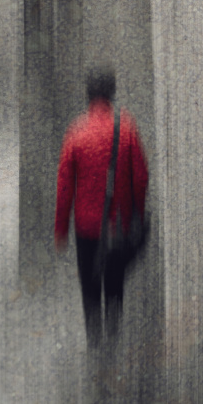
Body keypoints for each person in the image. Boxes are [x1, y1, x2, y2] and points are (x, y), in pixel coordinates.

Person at [54, 69, 148, 349]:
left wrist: (61, 229)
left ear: (88, 95)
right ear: (112, 93)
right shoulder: (126, 128)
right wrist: (135, 213)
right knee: (115, 283)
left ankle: (95, 344)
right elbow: (141, 177)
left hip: (86, 229)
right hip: (117, 226)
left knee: (90, 285)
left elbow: (64, 186)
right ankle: (114, 342)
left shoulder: (76, 132)